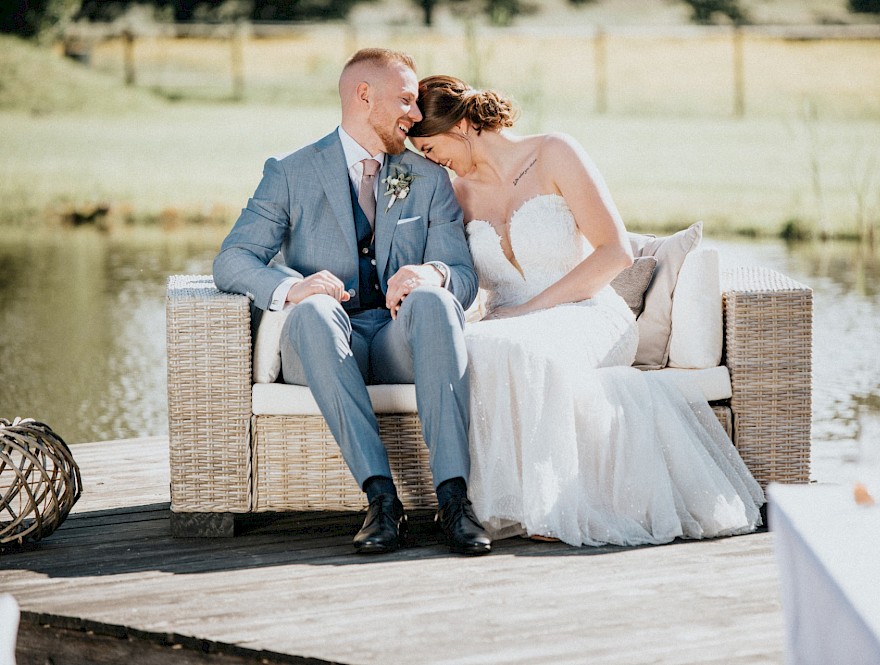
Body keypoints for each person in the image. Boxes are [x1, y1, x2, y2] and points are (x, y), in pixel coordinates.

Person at [408, 75, 765, 546]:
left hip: (588, 311)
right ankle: (493, 505)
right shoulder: (458, 194)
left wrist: (531, 310)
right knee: (476, 345)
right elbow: (464, 275)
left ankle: (556, 507)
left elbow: (615, 253)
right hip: (507, 322)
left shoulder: (555, 152)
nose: (432, 161)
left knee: (521, 345)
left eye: (431, 148)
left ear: (459, 126)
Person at [213, 50, 491, 556]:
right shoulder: (291, 172)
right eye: (405, 100)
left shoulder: (426, 178)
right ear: (363, 96)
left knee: (434, 302)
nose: (414, 113)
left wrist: (431, 273)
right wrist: (290, 288)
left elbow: (464, 277)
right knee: (315, 311)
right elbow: (233, 260)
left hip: (393, 340)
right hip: (320, 343)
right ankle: (381, 500)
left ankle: (454, 499)